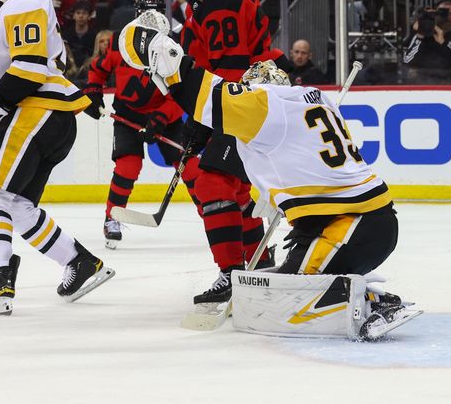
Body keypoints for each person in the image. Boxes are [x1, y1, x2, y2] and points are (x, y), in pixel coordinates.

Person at [121, 47, 417, 340]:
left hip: (354, 224)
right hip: (355, 221)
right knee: (276, 283)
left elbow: (212, 95)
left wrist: (172, 67)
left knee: (287, 294)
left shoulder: (268, 109)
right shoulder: (306, 104)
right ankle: (349, 284)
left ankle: (378, 303)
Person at [0, 0, 114, 315]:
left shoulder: (23, 2)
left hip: (35, 112)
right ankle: (80, 263)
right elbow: (42, 66)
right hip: (52, 118)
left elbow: (29, 68)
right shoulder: (18, 11)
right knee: (19, 206)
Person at [178, 0, 291, 305]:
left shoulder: (221, 4)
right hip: (252, 98)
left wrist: (203, 118)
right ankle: (259, 261)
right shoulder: (208, 1)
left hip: (246, 102)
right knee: (231, 188)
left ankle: (231, 273)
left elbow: (228, 68)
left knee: (210, 182)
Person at [82, 0, 199, 248]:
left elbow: (180, 93)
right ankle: (112, 217)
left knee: (188, 166)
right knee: (128, 166)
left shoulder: (173, 48)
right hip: (127, 116)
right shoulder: (119, 42)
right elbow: (99, 70)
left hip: (163, 117)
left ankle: (212, 210)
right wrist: (92, 92)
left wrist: (160, 118)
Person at [403, 0, 451, 83]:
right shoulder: (420, 35)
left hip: (450, 84)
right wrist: (420, 35)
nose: (446, 18)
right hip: (421, 85)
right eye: (441, 14)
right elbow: (407, 62)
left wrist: (443, 43)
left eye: (450, 14)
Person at [61, 0, 98, 71]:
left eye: (84, 13)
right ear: (74, 16)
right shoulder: (65, 35)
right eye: (78, 13)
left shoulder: (95, 36)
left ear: (89, 16)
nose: (81, 16)